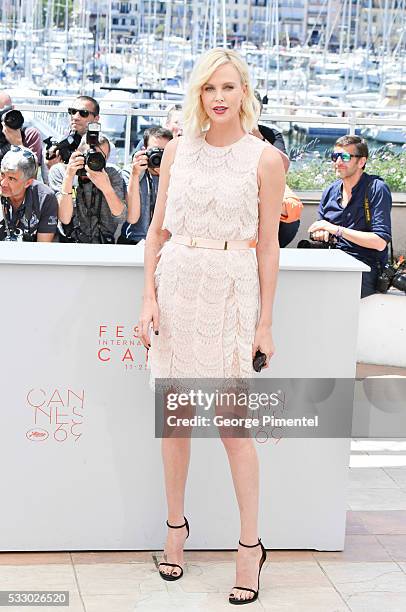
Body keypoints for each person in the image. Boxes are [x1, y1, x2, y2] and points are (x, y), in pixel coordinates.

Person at [138, 48, 285, 604]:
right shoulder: (178, 150)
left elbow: (268, 247)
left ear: (243, 92)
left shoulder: (265, 160)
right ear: (197, 96)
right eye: (208, 89)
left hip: (230, 291)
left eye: (227, 87)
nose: (218, 98)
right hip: (176, 289)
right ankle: (176, 530)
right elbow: (155, 232)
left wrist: (264, 323)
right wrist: (147, 298)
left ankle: (250, 547)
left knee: (233, 431)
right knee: (174, 424)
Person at [308, 135, 392, 298]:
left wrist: (336, 230)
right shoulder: (330, 191)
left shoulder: (376, 189)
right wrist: (320, 232)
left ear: (361, 162)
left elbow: (380, 242)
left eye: (345, 157)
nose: (338, 162)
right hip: (331, 261)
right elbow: (320, 226)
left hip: (364, 267)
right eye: (335, 156)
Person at [48, 133, 126, 244]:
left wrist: (106, 188)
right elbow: (65, 218)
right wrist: (69, 176)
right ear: (77, 152)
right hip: (70, 243)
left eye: (99, 157)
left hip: (103, 244)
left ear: (107, 158)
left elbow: (121, 217)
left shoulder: (111, 173)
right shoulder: (60, 171)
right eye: (88, 155)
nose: (93, 161)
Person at [251, 91, 301, 247]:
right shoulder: (227, 133)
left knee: (290, 210)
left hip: (265, 184)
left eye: (253, 109)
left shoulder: (270, 134)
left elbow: (281, 167)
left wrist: (255, 134)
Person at [118, 127, 173, 245]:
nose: (158, 156)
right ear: (144, 150)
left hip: (165, 243)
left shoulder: (175, 174)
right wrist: (135, 174)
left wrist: (166, 175)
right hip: (134, 240)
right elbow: (132, 218)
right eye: (154, 151)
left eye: (163, 152)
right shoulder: (132, 171)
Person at [0, 146, 57, 242]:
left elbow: (42, 248)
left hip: (29, 255)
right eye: (2, 174)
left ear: (28, 183)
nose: (3, 183)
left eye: (11, 178)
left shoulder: (45, 198)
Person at [0, 91, 43, 165]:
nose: (4, 118)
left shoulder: (29, 134)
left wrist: (18, 144)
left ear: (13, 109)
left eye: (6, 112)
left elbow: (32, 173)